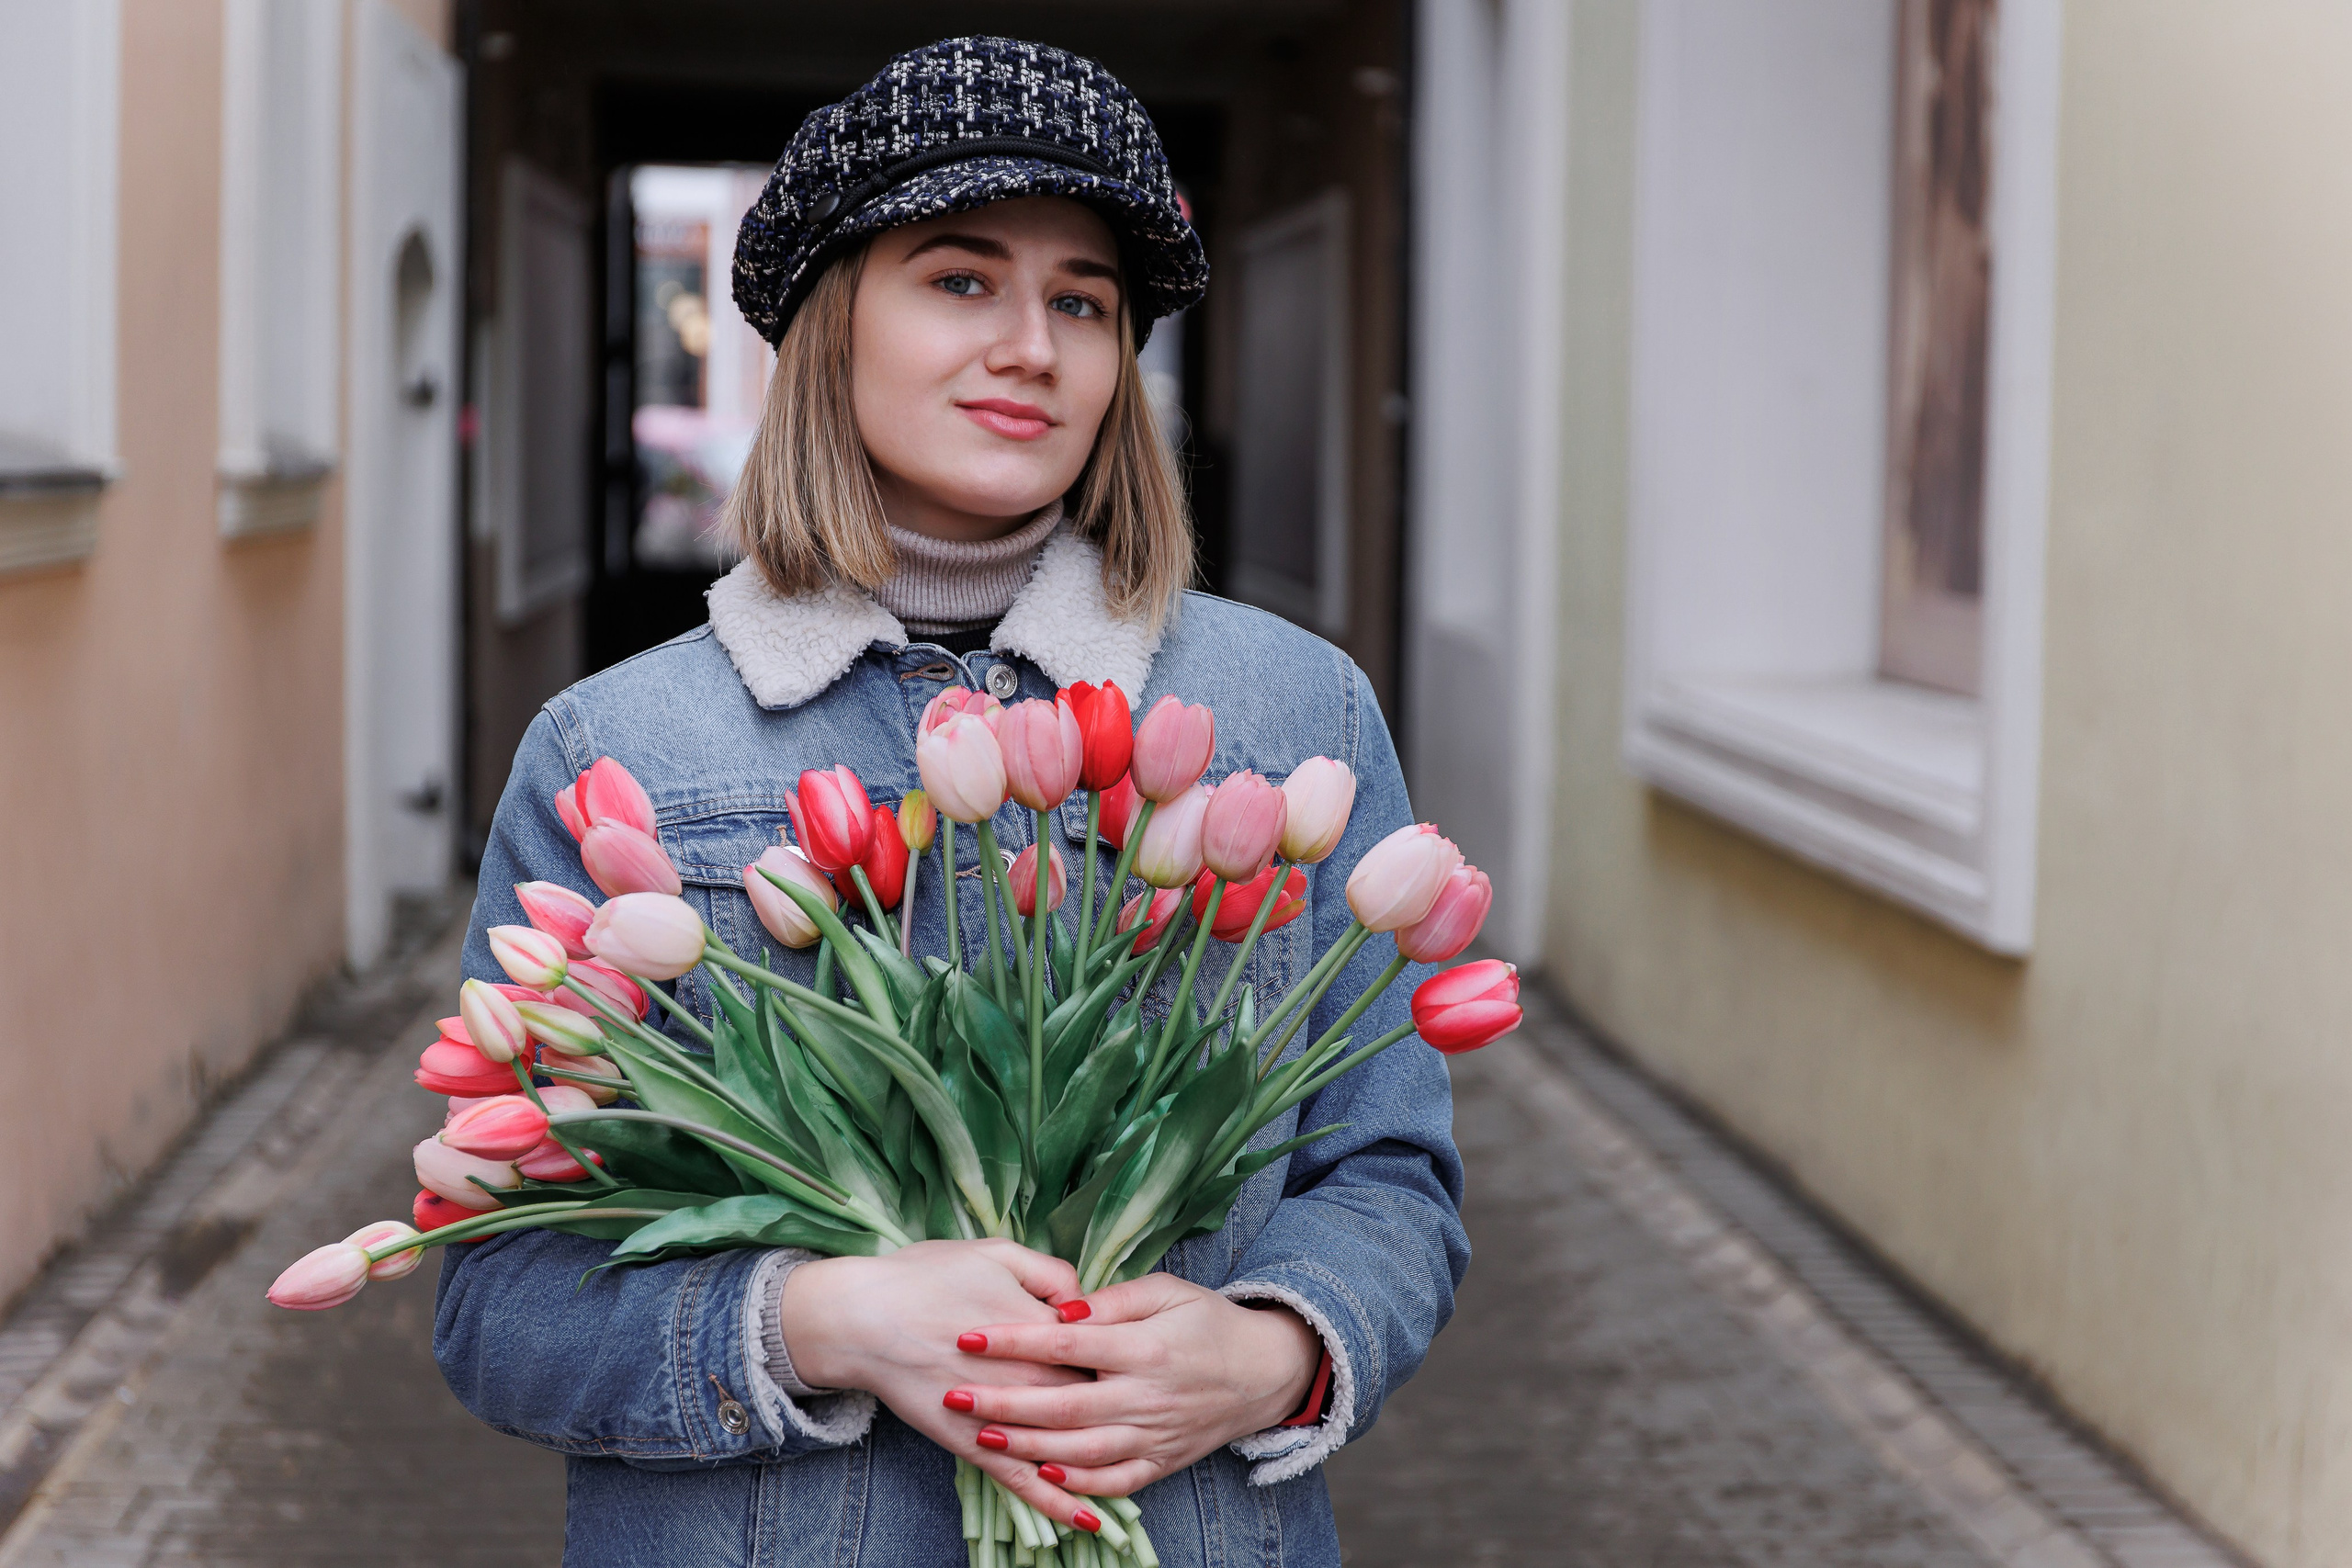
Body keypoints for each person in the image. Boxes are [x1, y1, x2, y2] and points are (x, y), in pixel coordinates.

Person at [436, 37, 1467, 1568]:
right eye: (962, 280)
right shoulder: (620, 750)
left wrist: (1272, 1347)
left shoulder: (1287, 716)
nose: (1034, 347)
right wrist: (820, 1320)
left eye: (1083, 302)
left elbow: (1389, 1178)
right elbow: (496, 1297)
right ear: (832, 325)